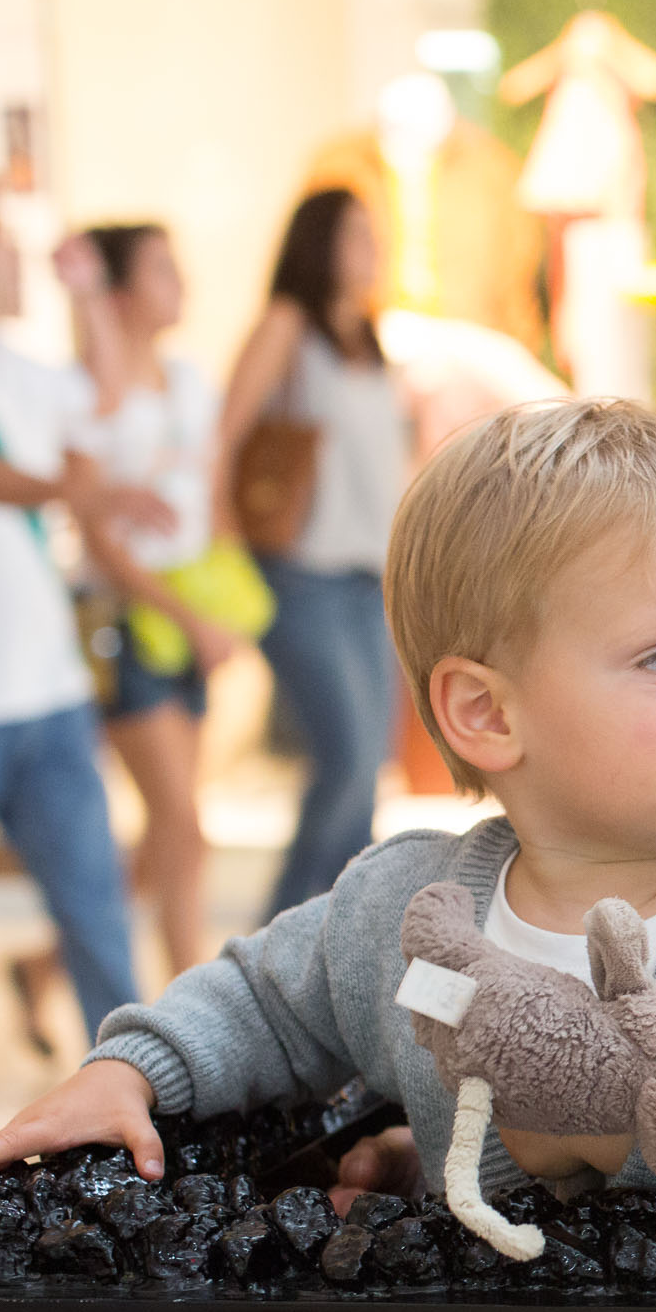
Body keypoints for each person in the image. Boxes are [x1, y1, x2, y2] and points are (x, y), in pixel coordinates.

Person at [0, 399, 656, 1221]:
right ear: (486, 713)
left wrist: (622, 1128)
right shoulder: (405, 911)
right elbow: (262, 1001)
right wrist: (130, 1072)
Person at [0, 171, 168, 1042]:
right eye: (3, 237)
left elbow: (103, 395)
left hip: (48, 689)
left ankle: (135, 1089)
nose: (16, 258)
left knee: (95, 908)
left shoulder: (9, 362)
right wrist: (71, 492)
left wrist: (88, 294)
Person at [9, 224, 235, 1043]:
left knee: (172, 834)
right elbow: (98, 533)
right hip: (126, 620)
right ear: (120, 290)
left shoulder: (190, 380)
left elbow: (207, 499)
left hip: (190, 612)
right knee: (184, 826)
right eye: (161, 269)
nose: (181, 282)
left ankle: (42, 966)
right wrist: (186, 614)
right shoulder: (86, 392)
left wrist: (219, 604)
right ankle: (195, 1024)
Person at [215, 187, 407, 920]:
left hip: (368, 581)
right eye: (356, 234)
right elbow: (224, 438)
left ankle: (338, 940)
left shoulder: (368, 338)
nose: (373, 248)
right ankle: (277, 946)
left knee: (367, 772)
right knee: (346, 763)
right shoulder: (286, 326)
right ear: (318, 242)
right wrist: (226, 553)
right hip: (300, 577)